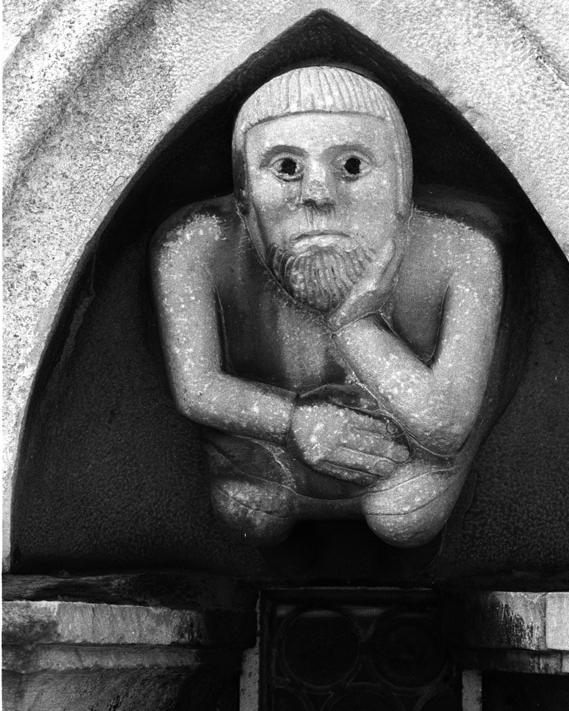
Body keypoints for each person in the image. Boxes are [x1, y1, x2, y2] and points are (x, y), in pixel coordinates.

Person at [151, 66, 508, 547]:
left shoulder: (462, 251)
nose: (317, 194)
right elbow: (197, 387)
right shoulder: (197, 245)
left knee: (405, 518)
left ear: (401, 189)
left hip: (400, 452)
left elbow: (444, 425)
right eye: (286, 168)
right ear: (245, 195)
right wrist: (293, 421)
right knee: (250, 511)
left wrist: (356, 326)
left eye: (352, 166)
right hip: (270, 450)